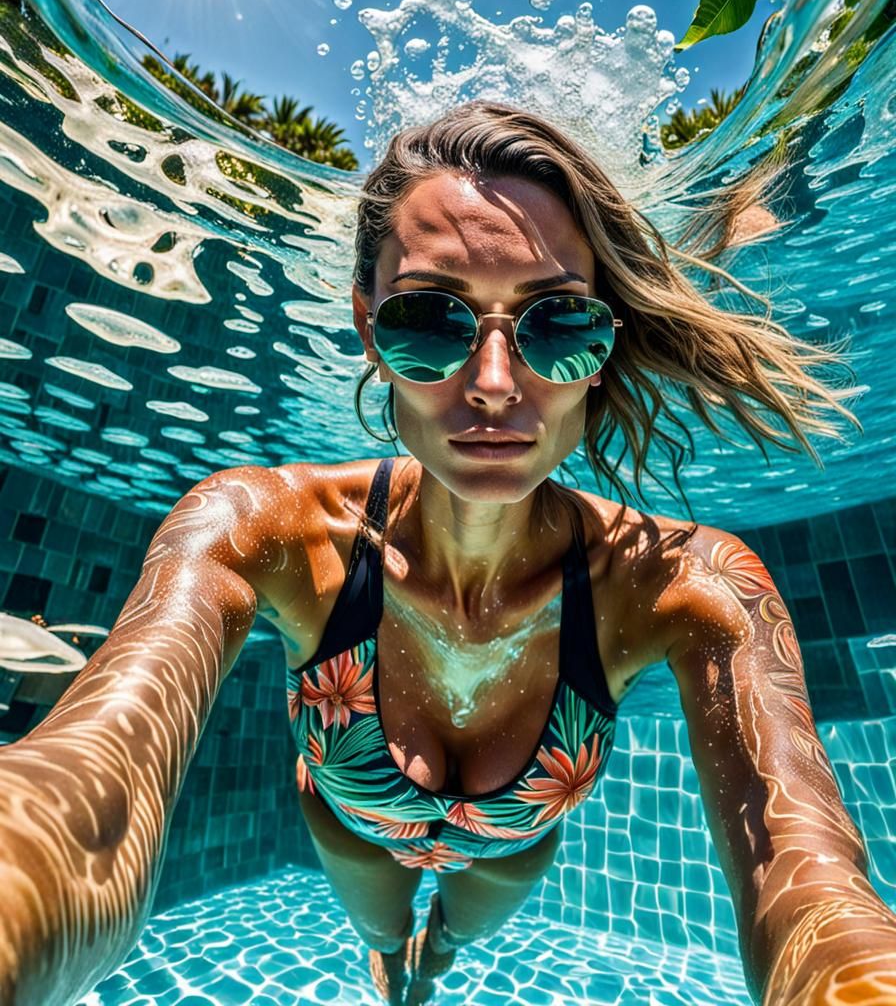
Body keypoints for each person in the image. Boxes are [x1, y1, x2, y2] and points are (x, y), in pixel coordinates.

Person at [1, 101, 896, 1006]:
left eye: (558, 326)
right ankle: (394, 963)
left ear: (605, 341)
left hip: (509, 851)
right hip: (357, 834)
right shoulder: (260, 526)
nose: (497, 386)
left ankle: (431, 962)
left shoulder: (685, 584)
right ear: (366, 323)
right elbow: (91, 797)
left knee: (448, 947)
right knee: (384, 942)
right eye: (430, 323)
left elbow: (808, 876)